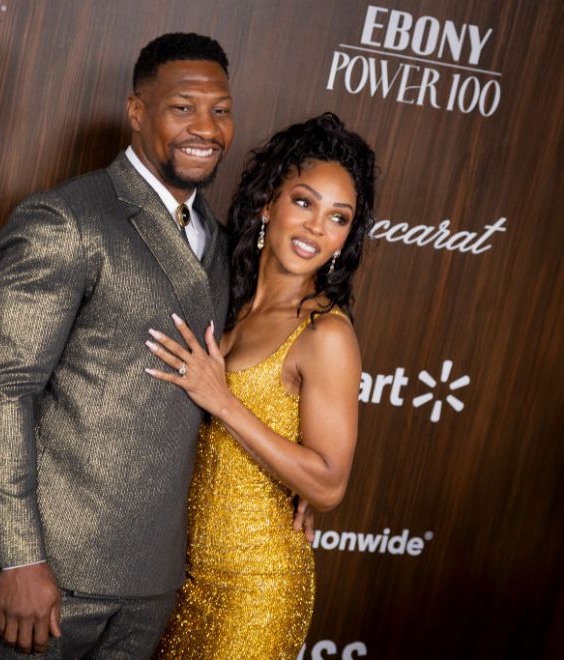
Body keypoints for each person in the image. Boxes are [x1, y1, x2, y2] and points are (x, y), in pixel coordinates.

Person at [0, 33, 236, 658]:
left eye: (221, 109)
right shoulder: (68, 219)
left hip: (154, 578)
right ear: (137, 111)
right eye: (183, 107)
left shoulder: (219, 241)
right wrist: (18, 557)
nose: (206, 127)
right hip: (51, 574)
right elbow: (6, 390)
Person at [146, 113, 376, 658]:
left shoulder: (326, 332)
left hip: (257, 591)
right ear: (269, 202)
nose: (317, 228)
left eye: (338, 217)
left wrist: (224, 402)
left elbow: (327, 485)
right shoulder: (227, 295)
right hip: (180, 581)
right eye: (304, 202)